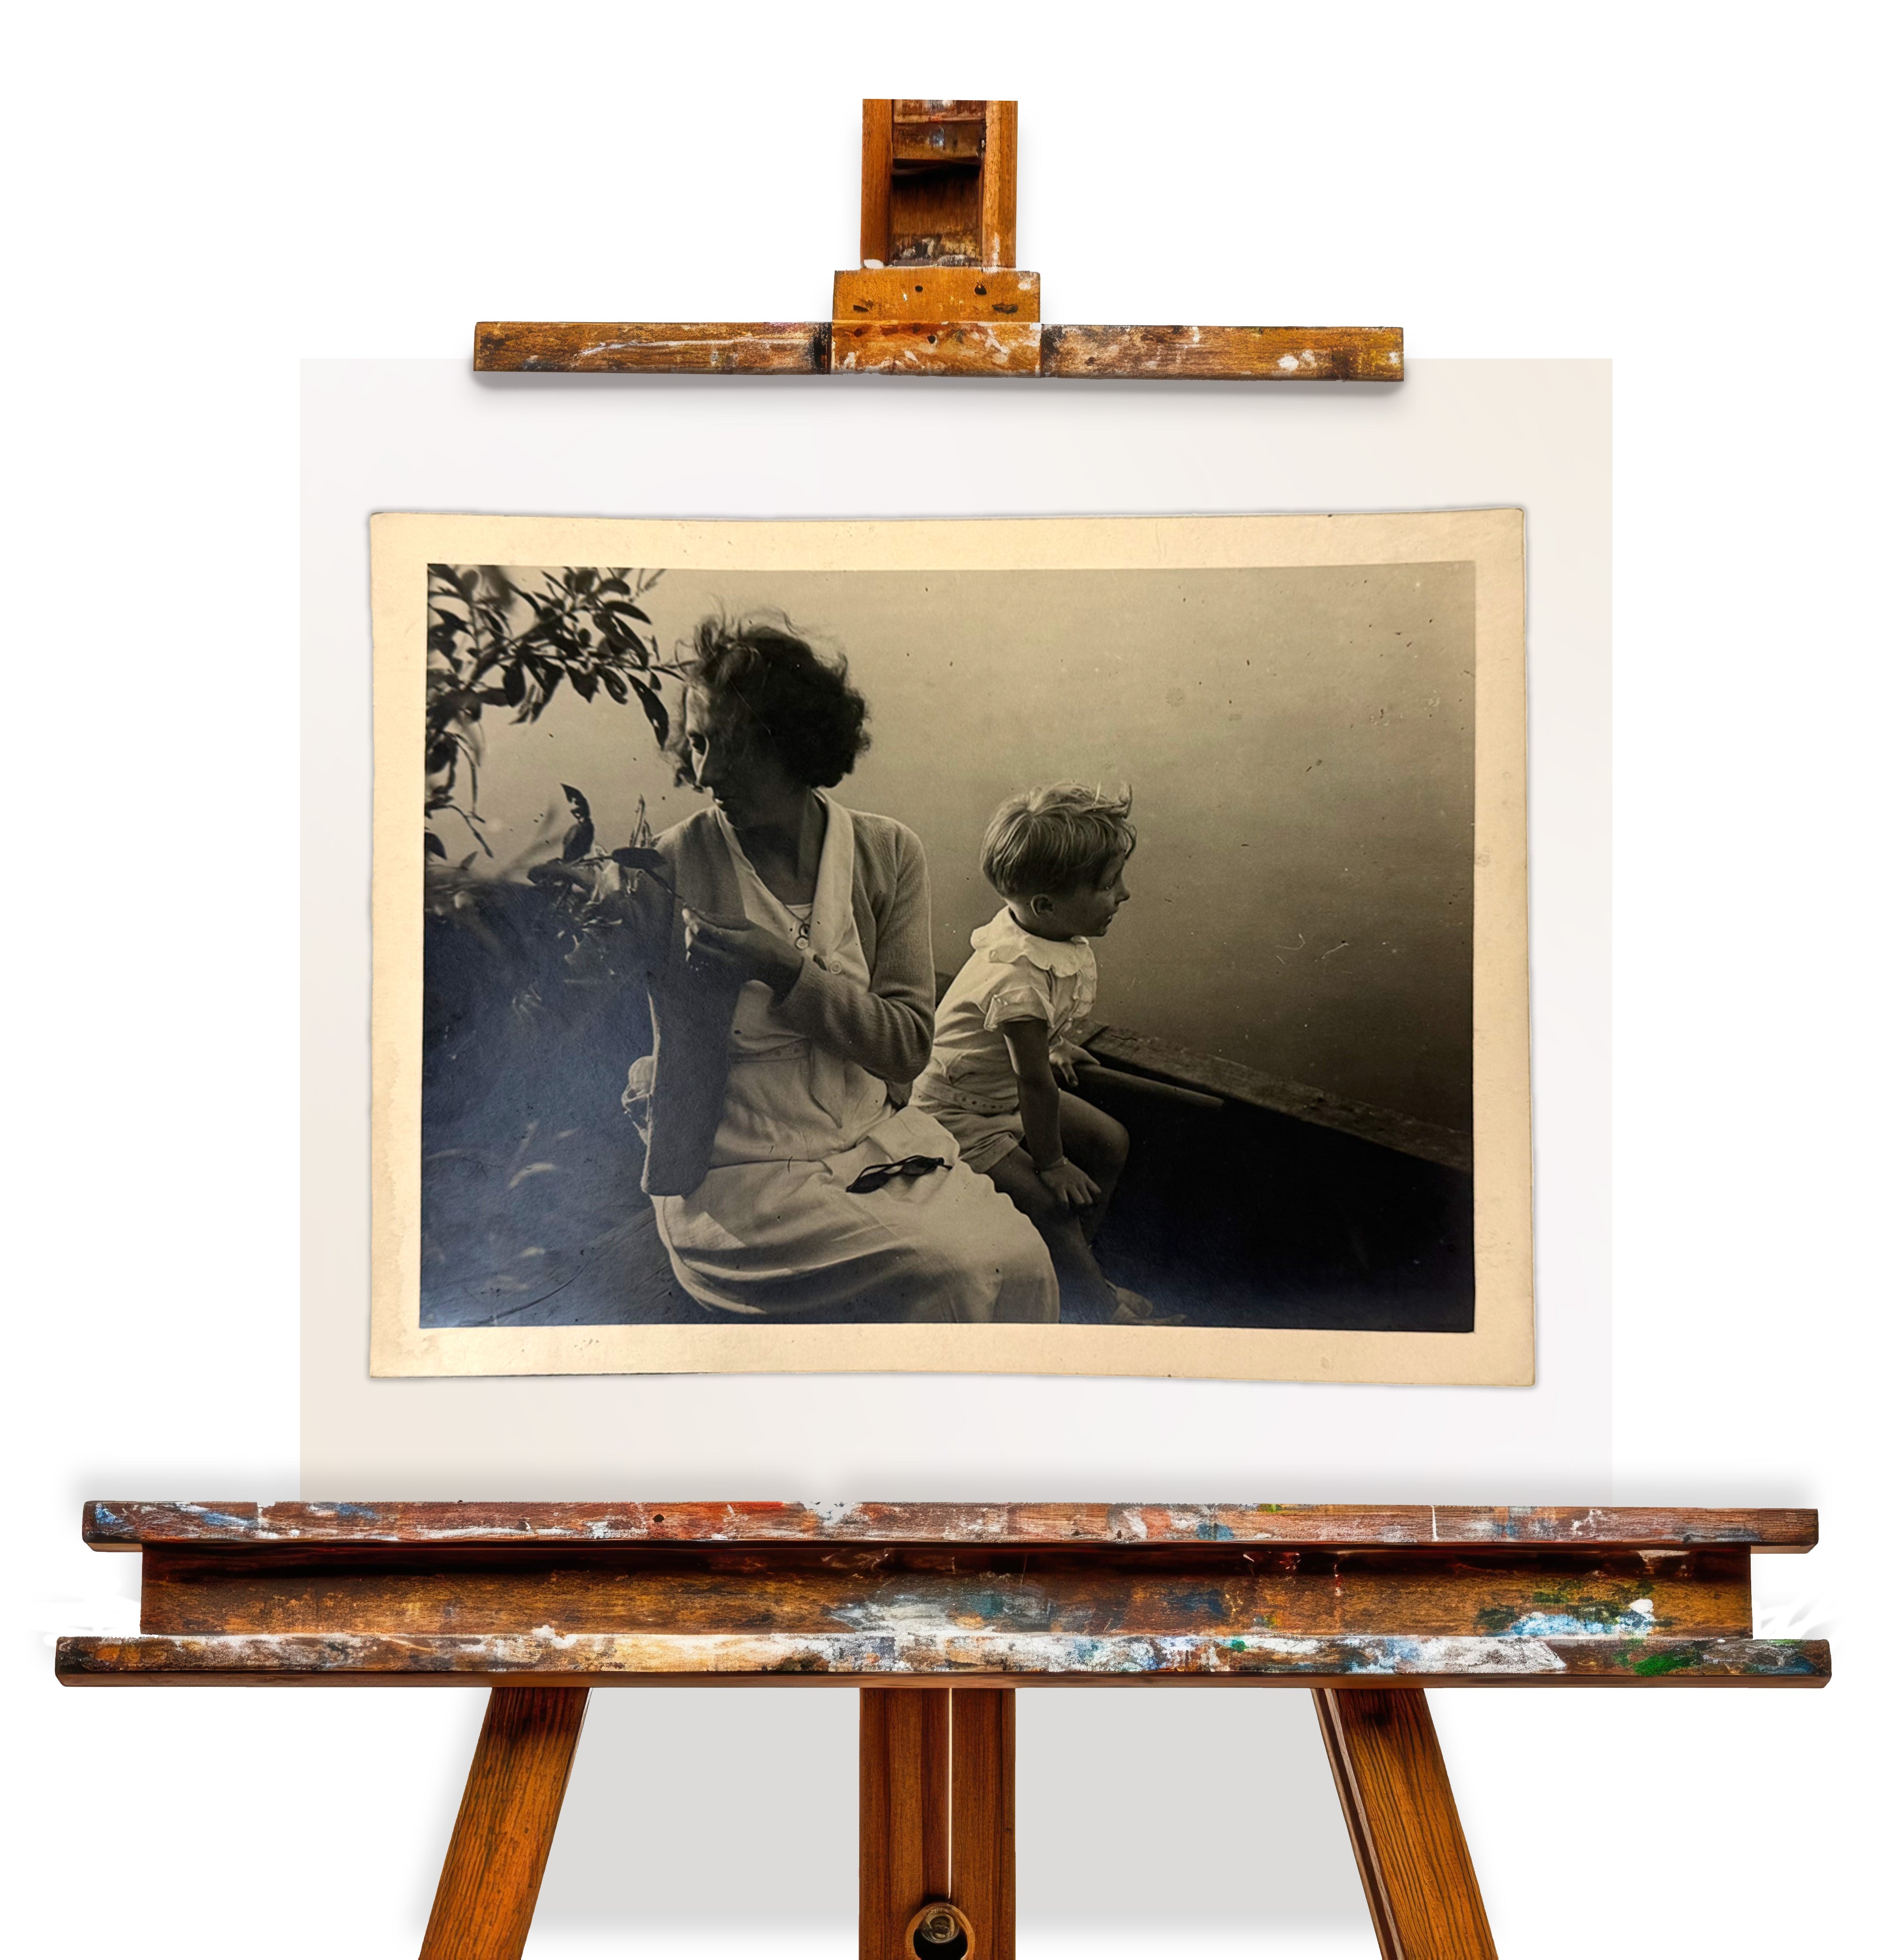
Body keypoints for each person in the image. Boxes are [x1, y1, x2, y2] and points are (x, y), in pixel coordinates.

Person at [612, 615, 1059, 1324]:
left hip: (870, 1133)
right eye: (696, 743)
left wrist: (788, 970)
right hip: (742, 1163)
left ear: (793, 745)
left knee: (1025, 1260)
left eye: (727, 746)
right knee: (950, 1273)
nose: (703, 774)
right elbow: (683, 1056)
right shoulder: (670, 866)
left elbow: (910, 1048)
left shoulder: (889, 852)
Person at [913, 783, 1174, 1324]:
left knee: (1110, 1141)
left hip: (1000, 1088)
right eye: (1107, 886)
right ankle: (1095, 1309)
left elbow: (1021, 1045)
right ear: (1047, 905)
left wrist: (1051, 1047)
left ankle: (1075, 1275)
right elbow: (1032, 1082)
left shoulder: (1038, 931)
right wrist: (1052, 1165)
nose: (1123, 895)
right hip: (960, 1116)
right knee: (1054, 1203)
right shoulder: (1016, 980)